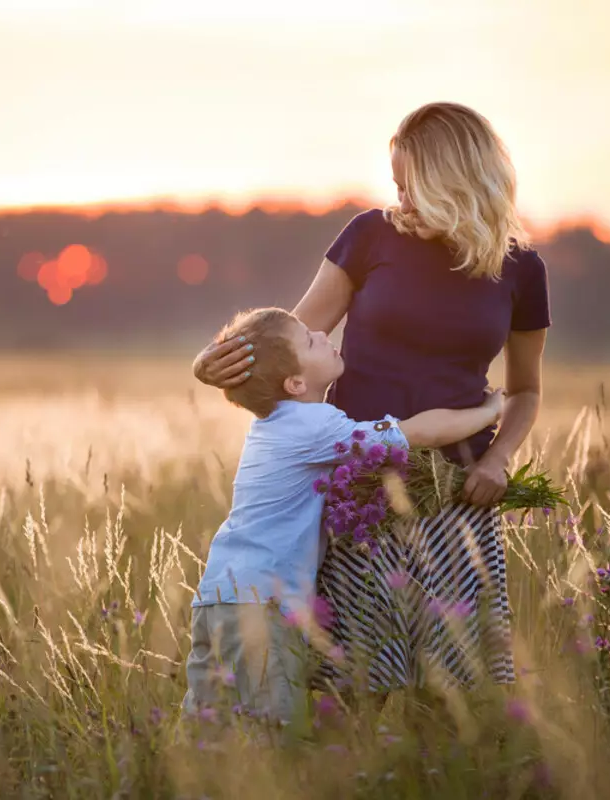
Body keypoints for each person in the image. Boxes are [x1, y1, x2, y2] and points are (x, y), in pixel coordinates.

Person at [192, 102, 550, 696]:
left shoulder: (521, 270)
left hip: (457, 495)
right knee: (352, 683)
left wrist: (497, 458)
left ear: (455, 181)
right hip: (359, 492)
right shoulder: (370, 236)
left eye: (413, 186)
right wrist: (214, 363)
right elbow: (290, 342)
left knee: (458, 685)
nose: (400, 200)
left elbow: (526, 390)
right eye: (397, 185)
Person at [182, 306, 505, 725]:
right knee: (272, 730)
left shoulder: (274, 425)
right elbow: (419, 431)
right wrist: (490, 411)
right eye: (309, 340)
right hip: (263, 602)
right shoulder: (314, 424)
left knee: (210, 724)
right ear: (295, 382)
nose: (321, 332)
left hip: (219, 595)